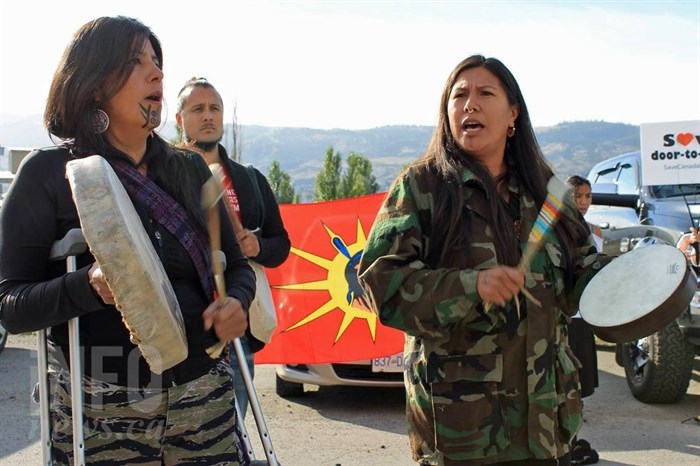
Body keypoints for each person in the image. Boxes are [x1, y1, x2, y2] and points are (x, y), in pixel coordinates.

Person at [0, 16, 255, 465]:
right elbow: (11, 304)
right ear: (94, 83)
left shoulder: (190, 170)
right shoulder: (47, 175)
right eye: (136, 62)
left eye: (157, 62)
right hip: (100, 411)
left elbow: (236, 266)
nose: (156, 73)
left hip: (204, 400)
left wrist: (235, 301)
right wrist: (89, 285)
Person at [358, 55, 611, 466]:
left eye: (484, 93)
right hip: (463, 430)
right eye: (459, 96)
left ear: (513, 113)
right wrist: (471, 285)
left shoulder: (547, 192)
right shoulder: (423, 187)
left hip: (546, 428)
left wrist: (635, 282)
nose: (469, 104)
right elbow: (383, 284)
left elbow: (583, 275)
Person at [175, 77, 291, 418]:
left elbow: (281, 244)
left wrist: (257, 246)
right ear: (180, 120)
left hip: (237, 319)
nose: (208, 116)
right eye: (198, 109)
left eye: (215, 108)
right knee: (185, 425)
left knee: (234, 422)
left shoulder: (249, 178)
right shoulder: (161, 175)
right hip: (185, 322)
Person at [566, 175, 602, 465]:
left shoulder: (597, 233)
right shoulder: (554, 232)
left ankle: (572, 442)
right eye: (578, 196)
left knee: (580, 386)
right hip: (561, 318)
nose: (583, 202)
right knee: (563, 384)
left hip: (583, 318)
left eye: (588, 196)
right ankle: (566, 444)